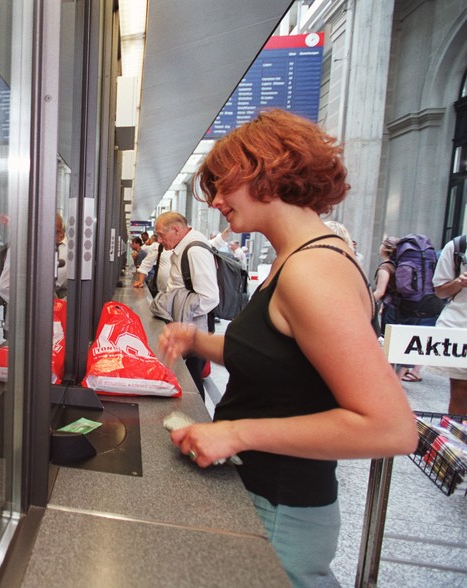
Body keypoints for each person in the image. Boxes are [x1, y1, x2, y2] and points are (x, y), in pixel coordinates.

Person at [157, 110, 417, 588]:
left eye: (223, 185)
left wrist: (236, 434)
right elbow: (276, 358)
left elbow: (391, 428)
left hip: (283, 510)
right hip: (268, 497)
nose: (216, 201)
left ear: (269, 171)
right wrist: (198, 340)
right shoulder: (294, 261)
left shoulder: (313, 271)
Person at [153, 211, 219, 397]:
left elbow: (210, 297)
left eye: (161, 234)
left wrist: (183, 311)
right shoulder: (185, 247)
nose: (159, 240)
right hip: (186, 325)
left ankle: (195, 421)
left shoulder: (194, 250)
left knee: (191, 383)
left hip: (192, 327)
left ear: (175, 229)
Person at [432, 235, 467, 415]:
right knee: (461, 391)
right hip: (460, 326)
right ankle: (459, 440)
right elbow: (440, 291)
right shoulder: (458, 246)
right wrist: (459, 282)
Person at [372, 237, 399, 334]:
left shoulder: (385, 267)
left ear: (384, 249)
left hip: (390, 307)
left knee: (387, 337)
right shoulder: (397, 264)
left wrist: (366, 304)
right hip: (399, 307)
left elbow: (380, 291)